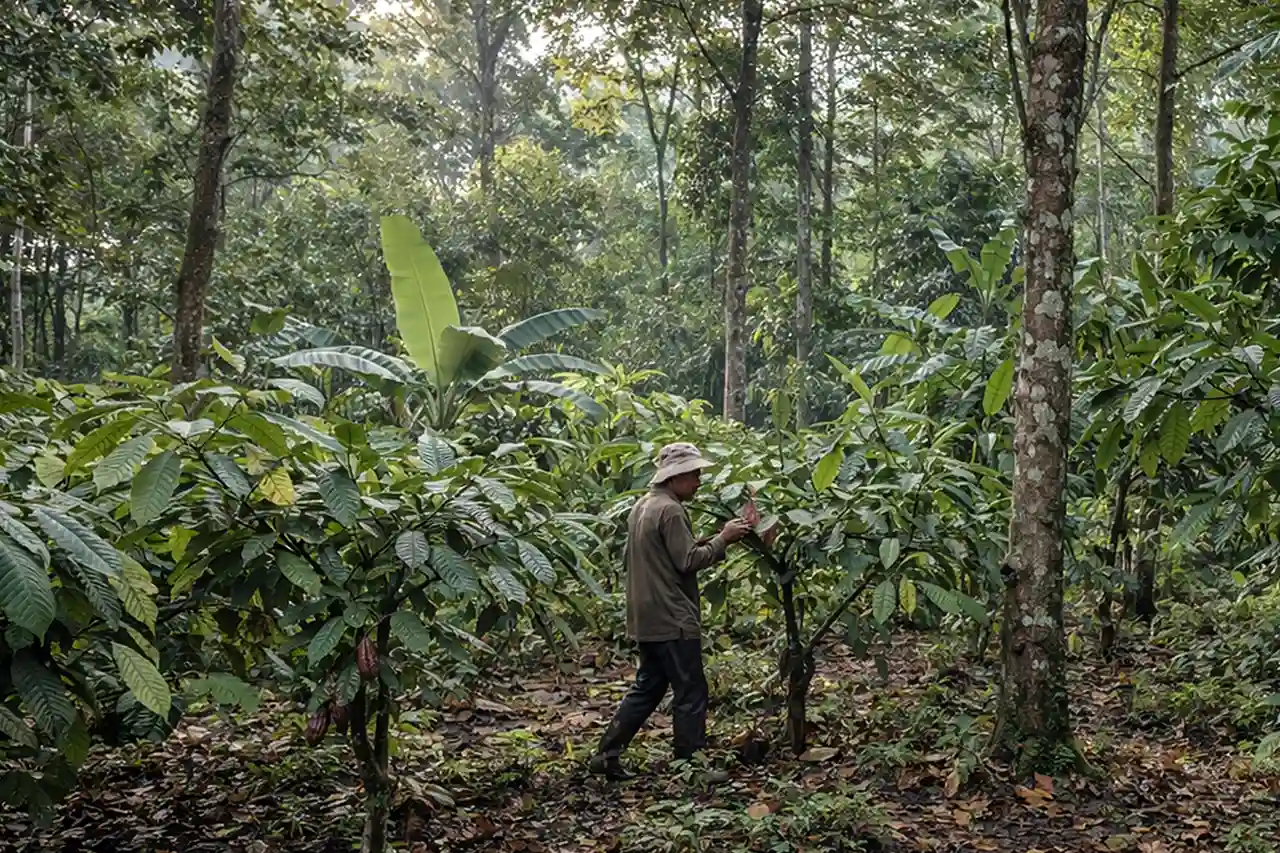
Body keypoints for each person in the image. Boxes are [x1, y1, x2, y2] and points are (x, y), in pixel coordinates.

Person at [588, 442, 752, 781]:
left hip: (646, 616)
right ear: (674, 477)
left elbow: (671, 553)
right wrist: (724, 539)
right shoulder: (672, 510)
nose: (698, 482)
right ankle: (691, 766)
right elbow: (688, 560)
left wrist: (718, 536)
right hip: (672, 616)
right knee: (691, 691)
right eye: (693, 475)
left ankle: (606, 753)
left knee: (648, 686)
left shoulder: (644, 505)